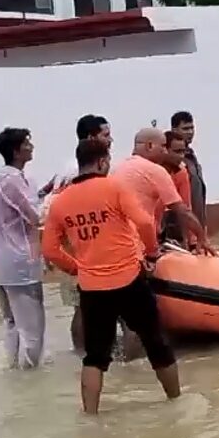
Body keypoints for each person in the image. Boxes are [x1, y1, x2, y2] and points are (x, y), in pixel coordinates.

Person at [42, 138, 180, 414]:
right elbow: (143, 222)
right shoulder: (115, 187)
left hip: (92, 288)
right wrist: (151, 253)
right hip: (130, 279)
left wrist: (77, 268)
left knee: (95, 357)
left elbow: (49, 249)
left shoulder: (60, 202)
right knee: (156, 343)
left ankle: (91, 416)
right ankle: (176, 402)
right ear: (103, 162)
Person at [40, 114, 112, 354]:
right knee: (82, 306)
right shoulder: (79, 170)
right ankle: (84, 352)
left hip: (69, 245)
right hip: (78, 246)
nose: (110, 139)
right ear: (92, 137)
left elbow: (46, 194)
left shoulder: (68, 165)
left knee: (80, 305)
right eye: (106, 134)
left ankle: (83, 353)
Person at [0, 127, 45, 369]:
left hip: (0, 262)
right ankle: (32, 380)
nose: (31, 146)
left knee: (11, 324)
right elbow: (35, 217)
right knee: (33, 331)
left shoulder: (4, 179)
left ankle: (13, 373)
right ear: (15, 150)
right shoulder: (11, 180)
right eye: (26, 143)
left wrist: (46, 193)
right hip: (20, 262)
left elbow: (27, 204)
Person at [112, 128, 217, 256]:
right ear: (149, 146)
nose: (165, 151)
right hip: (138, 244)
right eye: (162, 146)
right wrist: (201, 237)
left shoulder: (117, 168)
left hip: (116, 242)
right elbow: (182, 210)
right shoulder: (155, 171)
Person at [171, 111, 207, 230]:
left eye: (192, 128)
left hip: (197, 222)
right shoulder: (171, 160)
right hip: (181, 227)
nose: (190, 132)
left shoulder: (191, 156)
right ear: (174, 130)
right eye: (185, 129)